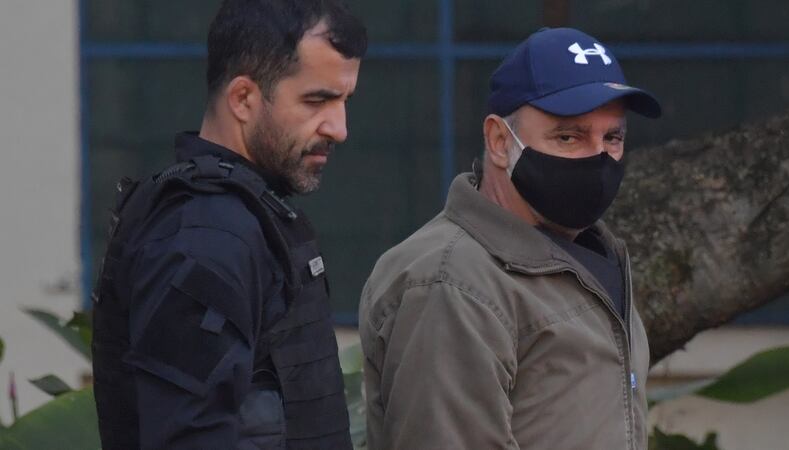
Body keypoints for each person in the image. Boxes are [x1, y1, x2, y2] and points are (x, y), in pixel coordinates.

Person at [359, 27, 661, 449]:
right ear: (500, 141)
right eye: (568, 136)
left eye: (613, 138)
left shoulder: (595, 255)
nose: (598, 157)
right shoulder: (452, 282)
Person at [91, 1, 367, 448]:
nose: (339, 128)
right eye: (317, 100)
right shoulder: (206, 235)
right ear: (243, 99)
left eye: (344, 101)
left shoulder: (240, 220)